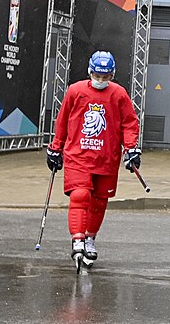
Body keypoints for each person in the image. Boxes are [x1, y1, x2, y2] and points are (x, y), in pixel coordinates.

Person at [45, 51, 141, 266]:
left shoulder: (119, 94)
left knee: (99, 201)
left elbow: (129, 123)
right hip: (78, 155)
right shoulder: (75, 91)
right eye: (97, 76)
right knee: (79, 195)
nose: (100, 81)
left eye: (105, 77)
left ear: (112, 75)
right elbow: (62, 121)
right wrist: (55, 148)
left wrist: (132, 149)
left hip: (106, 157)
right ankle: (77, 239)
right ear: (90, 72)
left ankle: (90, 238)